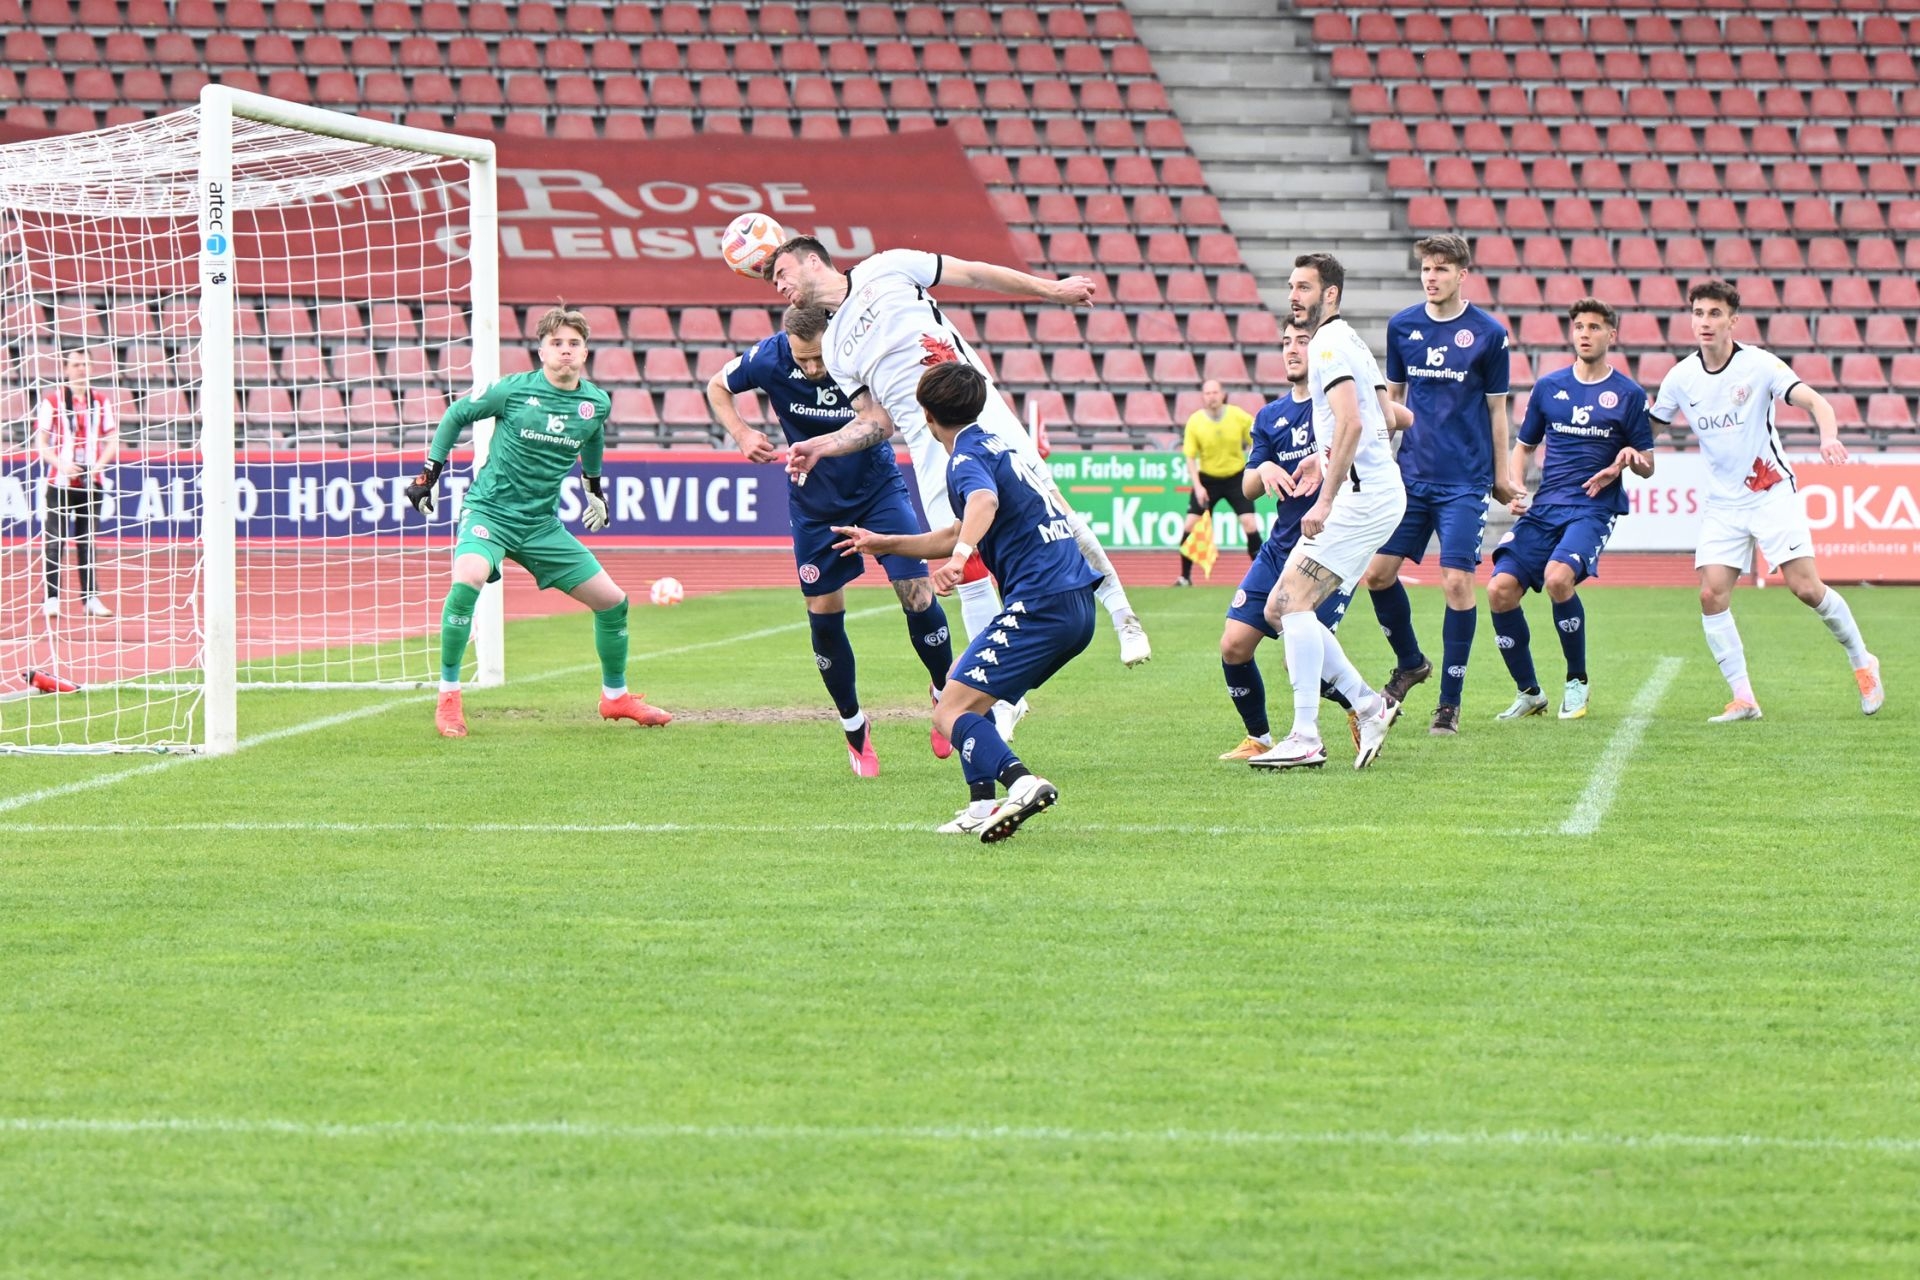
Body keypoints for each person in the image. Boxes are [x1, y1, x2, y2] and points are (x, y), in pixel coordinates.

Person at [765, 237, 1151, 682]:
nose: (779, 286)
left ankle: (1123, 615)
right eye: (774, 282)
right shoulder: (833, 348)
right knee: (963, 562)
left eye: (783, 274)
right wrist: (822, 445)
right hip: (928, 443)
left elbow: (973, 273)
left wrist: (1051, 290)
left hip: (977, 410)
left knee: (1053, 507)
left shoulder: (886, 266)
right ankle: (1001, 690)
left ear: (813, 261)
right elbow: (877, 423)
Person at [834, 363, 1096, 841]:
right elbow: (958, 528)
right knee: (963, 692)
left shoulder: (964, 459)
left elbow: (982, 505)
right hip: (1074, 602)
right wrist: (884, 543)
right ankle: (980, 805)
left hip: (1042, 603)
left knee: (948, 712)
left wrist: (959, 559)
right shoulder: (997, 445)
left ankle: (1022, 783)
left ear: (927, 416)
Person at [708, 305, 957, 776]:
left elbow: (882, 424)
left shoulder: (862, 353)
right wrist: (740, 432)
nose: (812, 368)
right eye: (802, 359)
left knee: (918, 596)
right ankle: (854, 727)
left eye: (819, 358)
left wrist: (821, 446)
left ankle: (945, 697)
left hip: (877, 490)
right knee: (823, 616)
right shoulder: (767, 358)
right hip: (815, 503)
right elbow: (717, 386)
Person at [405, 304, 672, 738]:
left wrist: (593, 488)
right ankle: (449, 696)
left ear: (585, 352)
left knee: (612, 601)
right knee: (469, 577)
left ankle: (616, 697)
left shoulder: (595, 403)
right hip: (490, 512)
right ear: (541, 351)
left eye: (574, 343)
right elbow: (456, 414)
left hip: (540, 525)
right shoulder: (512, 391)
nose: (565, 350)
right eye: (556, 343)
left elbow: (593, 438)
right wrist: (428, 476)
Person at [1650, 279, 1883, 721]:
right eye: (1698, 313)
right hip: (1724, 504)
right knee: (1711, 595)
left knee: (1806, 589)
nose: (1705, 322)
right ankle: (1744, 698)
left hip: (1770, 492)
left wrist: (1828, 437)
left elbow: (1816, 402)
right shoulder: (1680, 377)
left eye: (1715, 313)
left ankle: (1862, 662)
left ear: (1733, 320)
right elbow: (1651, 429)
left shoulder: (1758, 364)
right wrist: (1620, 449)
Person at [1247, 254, 1407, 772]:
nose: (1294, 296)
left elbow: (1353, 423)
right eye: (1291, 286)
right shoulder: (1351, 340)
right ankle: (1370, 706)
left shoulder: (1328, 344)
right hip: (1374, 492)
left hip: (1362, 500)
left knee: (1290, 602)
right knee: (1279, 610)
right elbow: (1385, 416)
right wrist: (1325, 455)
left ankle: (1305, 736)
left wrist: (1327, 497)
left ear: (1330, 294)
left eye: (1305, 287)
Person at [1363, 234, 1518, 736]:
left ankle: (1449, 703)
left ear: (1461, 275)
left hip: (1464, 482)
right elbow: (1392, 402)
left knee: (1456, 582)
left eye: (1441, 269)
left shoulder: (1489, 334)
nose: (1431, 277)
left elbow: (1497, 412)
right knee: (1376, 575)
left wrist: (1501, 476)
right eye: (1426, 268)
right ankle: (1411, 663)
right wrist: (1379, 463)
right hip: (1409, 477)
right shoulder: (1402, 326)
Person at [1487, 299, 1655, 721]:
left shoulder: (1630, 395)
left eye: (1595, 327)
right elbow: (1524, 447)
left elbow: (1648, 464)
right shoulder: (1549, 387)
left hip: (1593, 508)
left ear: (1611, 335)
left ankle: (1577, 681)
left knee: (1558, 577)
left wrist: (1629, 459)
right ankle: (1529, 693)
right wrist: (1514, 485)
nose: (1585, 333)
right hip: (1547, 506)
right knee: (1499, 589)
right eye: (1579, 326)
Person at [1218, 323, 1363, 760]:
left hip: (1327, 549)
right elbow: (1247, 487)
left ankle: (1363, 707)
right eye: (1286, 342)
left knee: (1298, 659)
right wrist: (1262, 470)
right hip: (1280, 546)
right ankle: (1259, 738)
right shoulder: (1270, 416)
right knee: (1233, 645)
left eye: (1302, 341)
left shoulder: (1336, 409)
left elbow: (1378, 434)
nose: (1292, 350)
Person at [33, 346, 118, 618]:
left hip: (91, 482)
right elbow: (41, 443)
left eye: (85, 364)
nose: (81, 369)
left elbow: (113, 439)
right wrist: (62, 465)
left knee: (87, 540)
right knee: (55, 540)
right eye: (76, 364)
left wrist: (98, 467)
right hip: (59, 481)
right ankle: (52, 598)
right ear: (66, 369)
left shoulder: (101, 401)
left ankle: (90, 598)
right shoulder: (53, 401)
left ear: (91, 368)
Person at [1176, 378, 1261, 585]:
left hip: (1236, 477)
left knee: (1249, 523)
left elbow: (1257, 438)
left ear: (1222, 394)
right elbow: (1189, 457)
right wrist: (1198, 487)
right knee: (1190, 525)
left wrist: (1254, 464)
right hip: (1207, 480)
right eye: (1207, 393)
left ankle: (1262, 576)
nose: (1212, 397)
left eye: (1215, 392)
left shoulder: (1237, 416)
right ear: (1203, 397)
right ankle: (1185, 577)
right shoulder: (1195, 421)